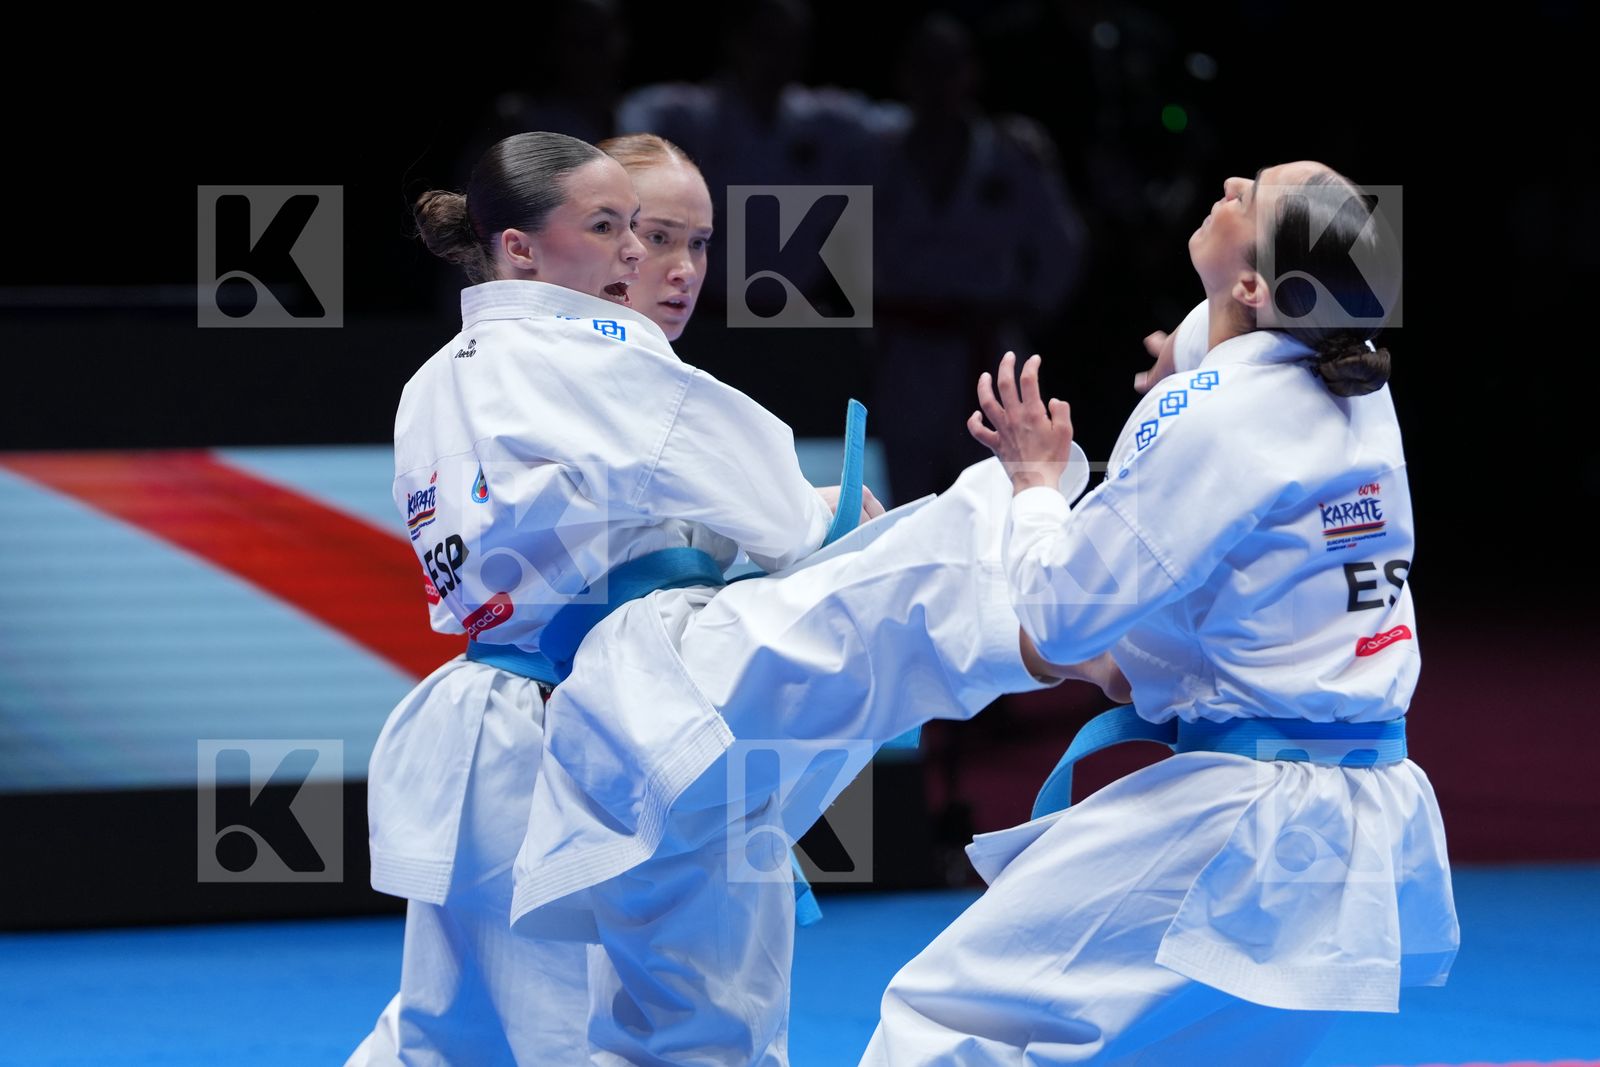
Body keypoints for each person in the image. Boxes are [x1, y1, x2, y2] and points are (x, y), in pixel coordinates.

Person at [348, 130, 1103, 1065]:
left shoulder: (436, 380)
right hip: (627, 726)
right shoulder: (604, 361)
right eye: (634, 231)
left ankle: (1041, 604)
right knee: (693, 1030)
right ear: (523, 246)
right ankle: (1050, 607)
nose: (660, 263)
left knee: (453, 1033)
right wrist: (870, 517)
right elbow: (793, 528)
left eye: (690, 242)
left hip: (487, 725)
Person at [861, 161, 1459, 1065]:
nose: (1227, 181)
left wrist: (1034, 485)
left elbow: (1062, 618)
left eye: (1251, 195)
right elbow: (1237, 345)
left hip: (1247, 820)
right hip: (1363, 825)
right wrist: (1187, 361)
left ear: (1255, 284)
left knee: (946, 1018)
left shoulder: (1212, 417)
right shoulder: (1358, 386)